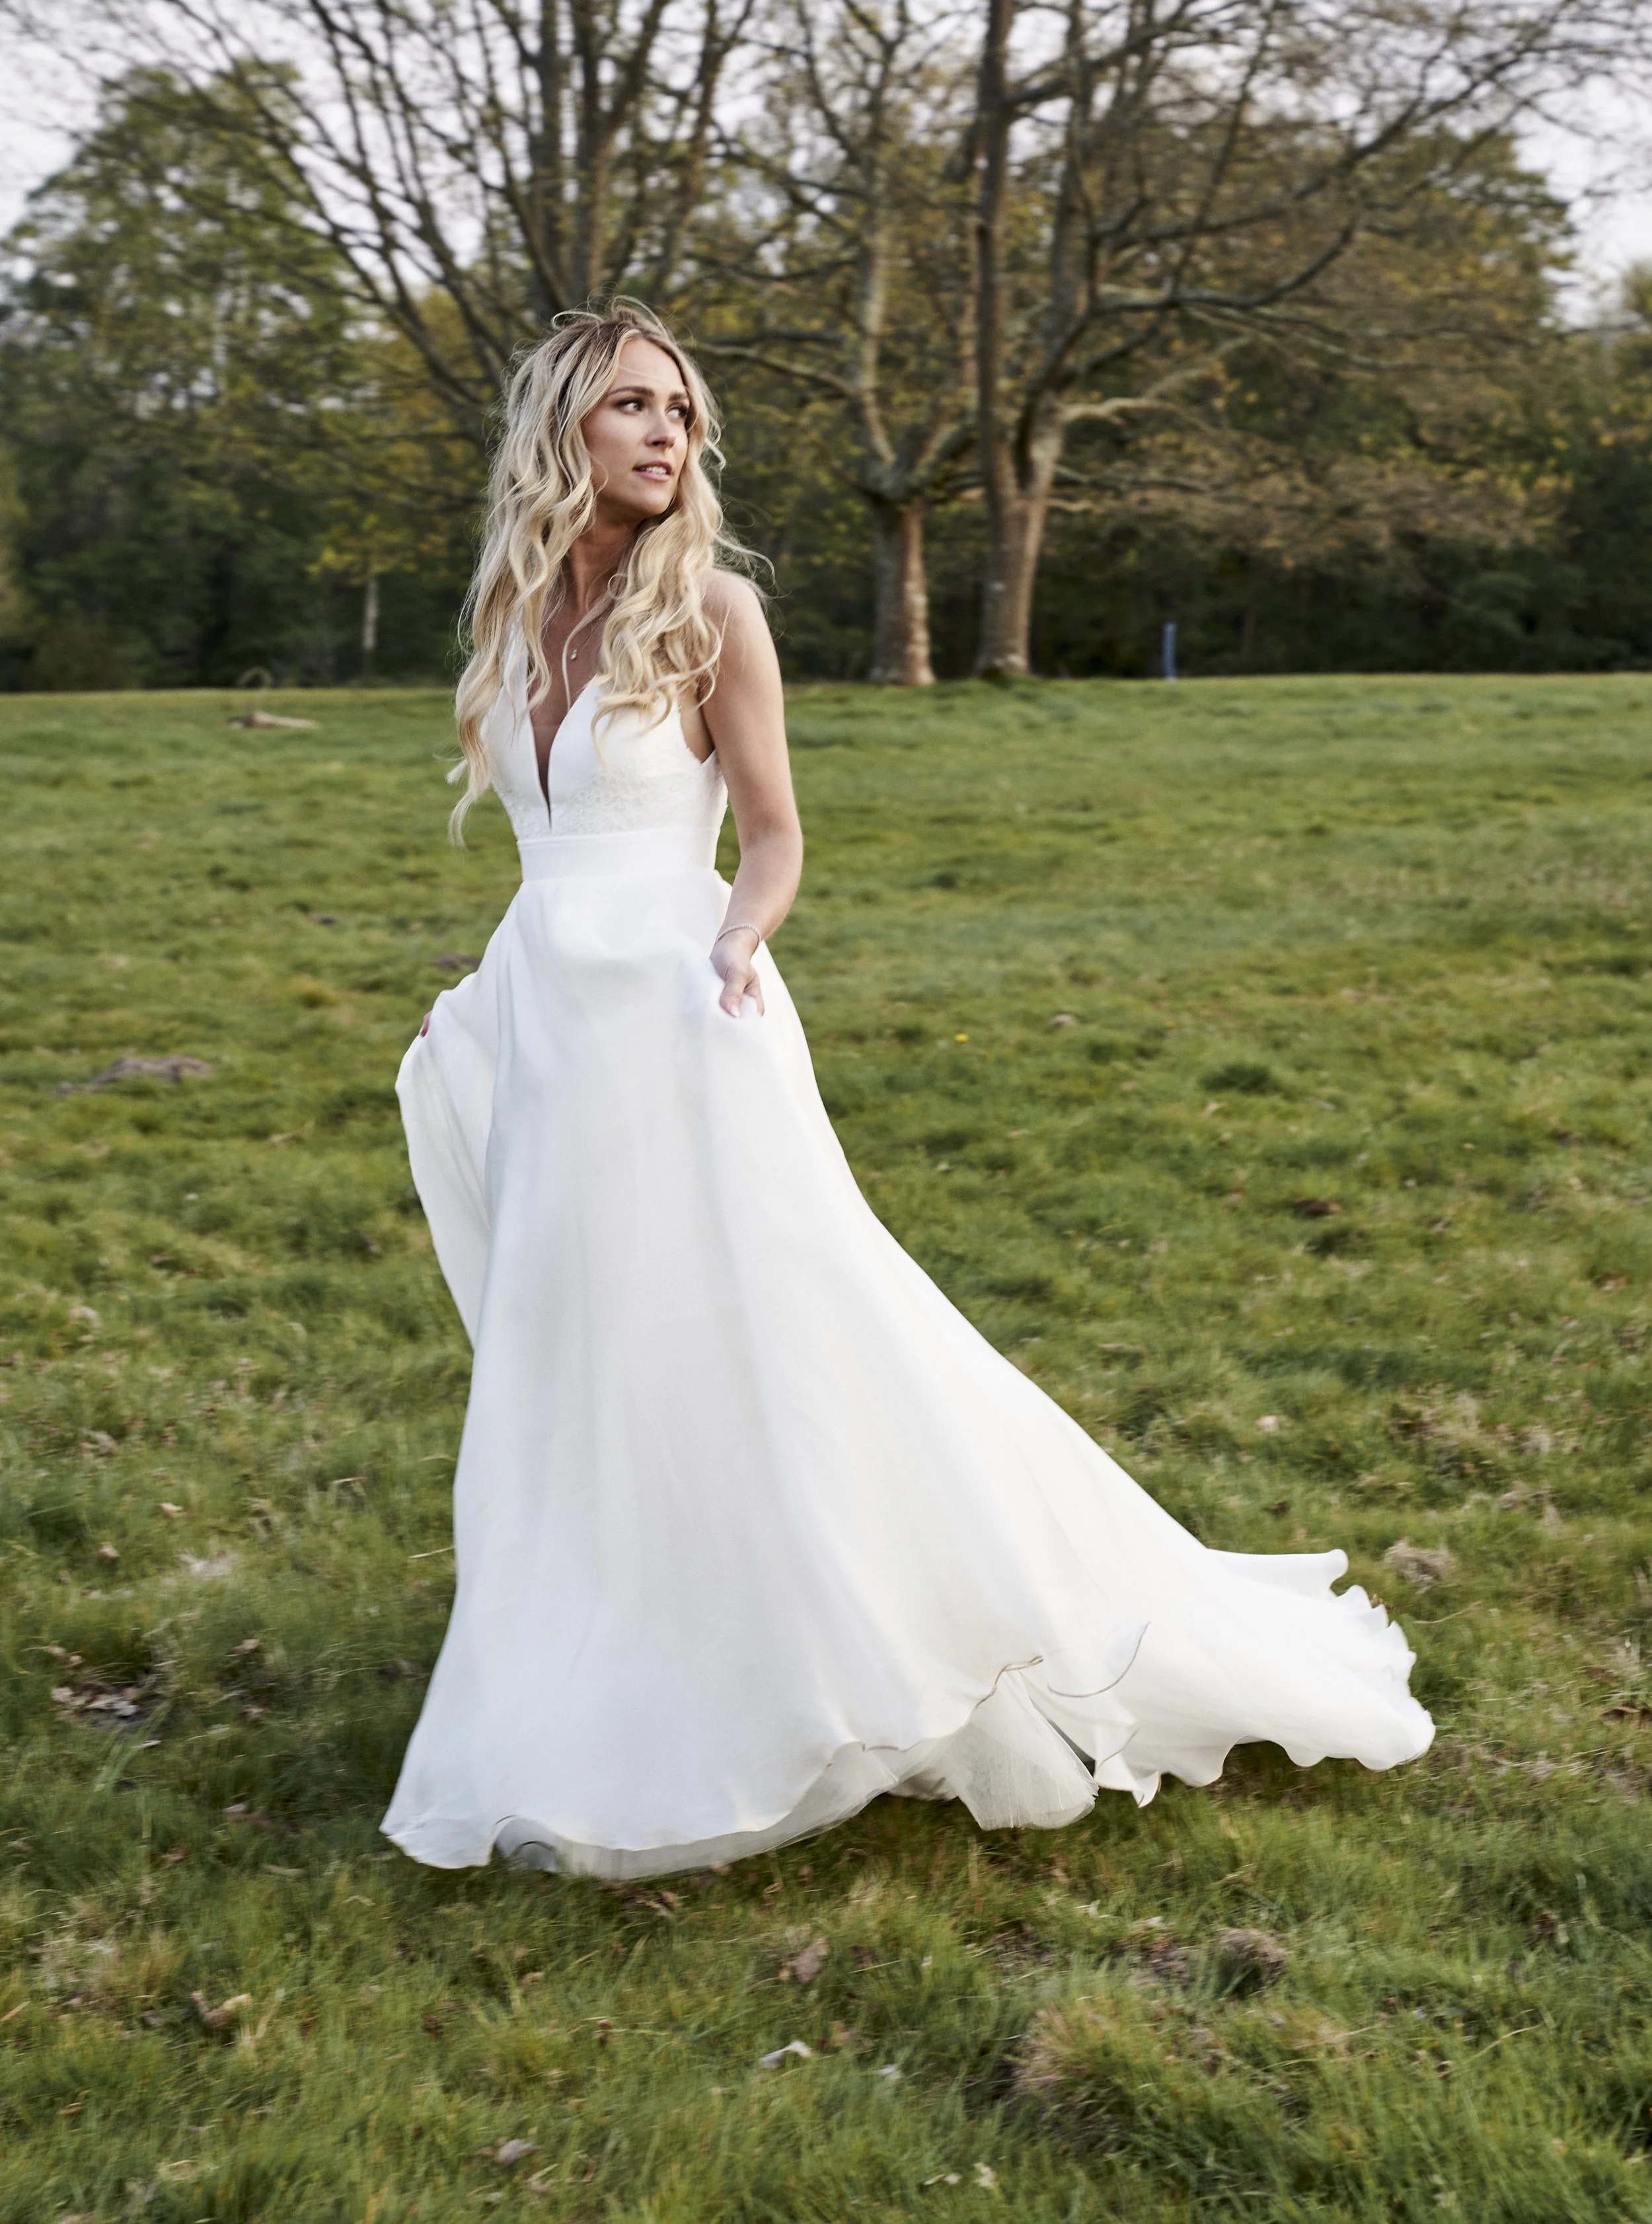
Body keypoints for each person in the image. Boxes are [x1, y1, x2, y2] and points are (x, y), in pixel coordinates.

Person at [381, 303, 1433, 1881]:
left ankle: (908, 1628)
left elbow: (776, 831)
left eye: (679, 408)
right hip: (554, 1021)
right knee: (581, 1351)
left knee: (790, 1329)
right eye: (628, 408)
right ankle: (624, 1654)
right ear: (558, 434)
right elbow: (549, 859)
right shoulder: (513, 618)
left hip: (689, 1012)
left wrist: (738, 932)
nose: (666, 434)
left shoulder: (712, 612)